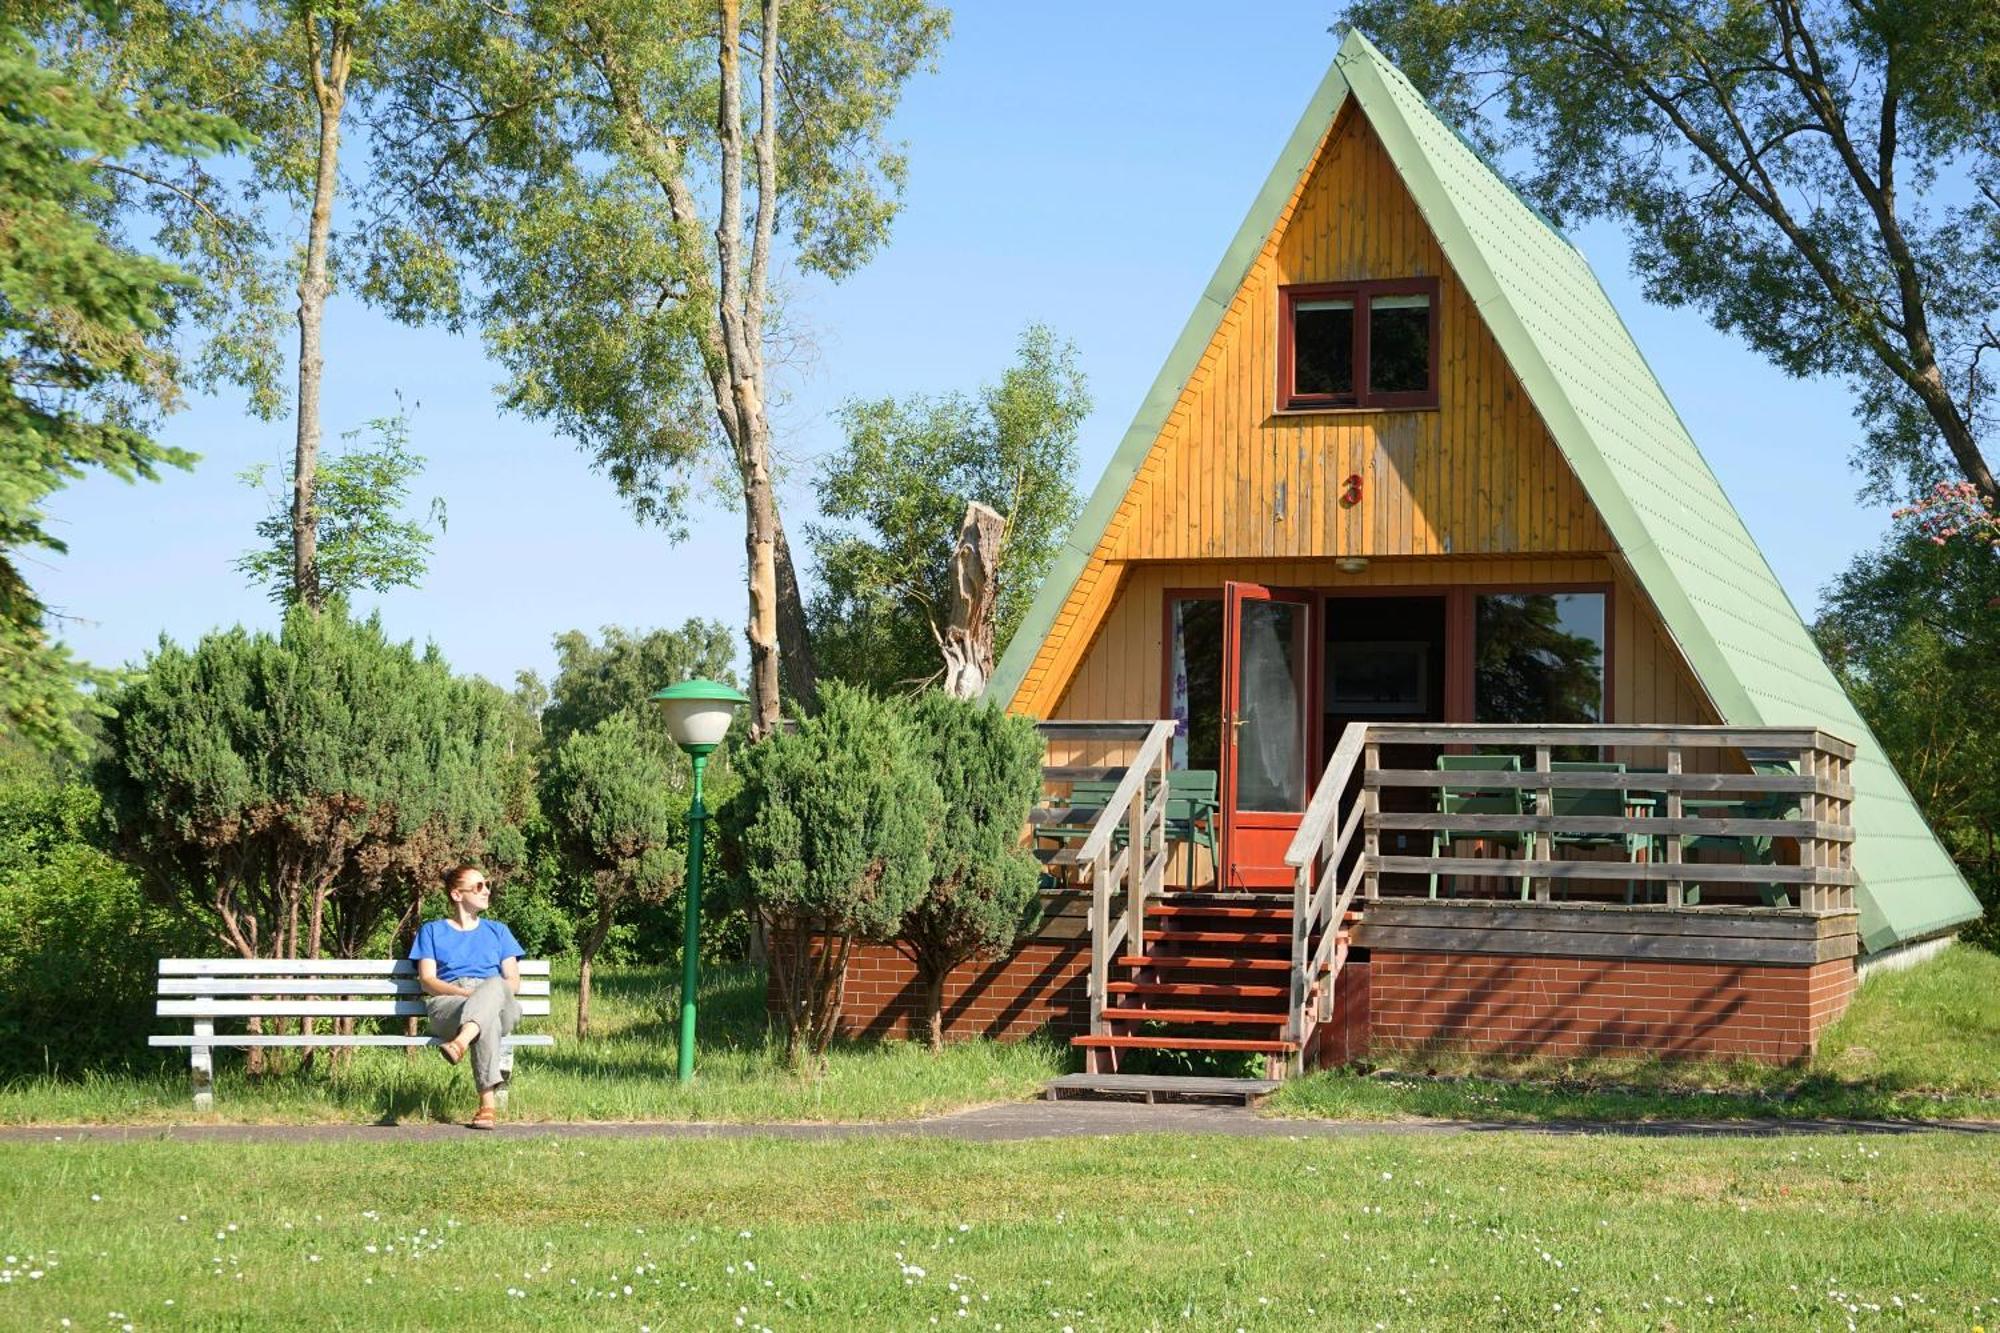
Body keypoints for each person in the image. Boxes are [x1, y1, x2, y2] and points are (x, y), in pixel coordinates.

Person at [412, 866, 524, 1129]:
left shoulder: (499, 931)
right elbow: (428, 981)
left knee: (494, 985)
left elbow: (513, 982)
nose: (486, 890)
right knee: (487, 1022)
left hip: (498, 999)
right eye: (478, 886)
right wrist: (467, 994)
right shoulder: (432, 931)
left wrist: (483, 994)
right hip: (451, 1002)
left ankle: (460, 1043)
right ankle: (487, 1107)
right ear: (457, 894)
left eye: (487, 884)